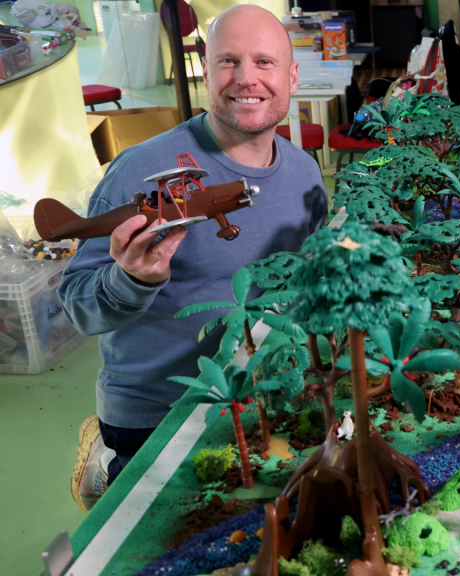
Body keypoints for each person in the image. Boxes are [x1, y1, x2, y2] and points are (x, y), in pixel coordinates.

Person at [62, 4, 327, 512]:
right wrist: (131, 279)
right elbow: (77, 306)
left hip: (266, 395)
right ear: (206, 71)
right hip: (159, 408)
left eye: (265, 63)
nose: (246, 79)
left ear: (292, 76)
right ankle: (106, 455)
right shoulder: (138, 171)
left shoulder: (304, 173)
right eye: (228, 61)